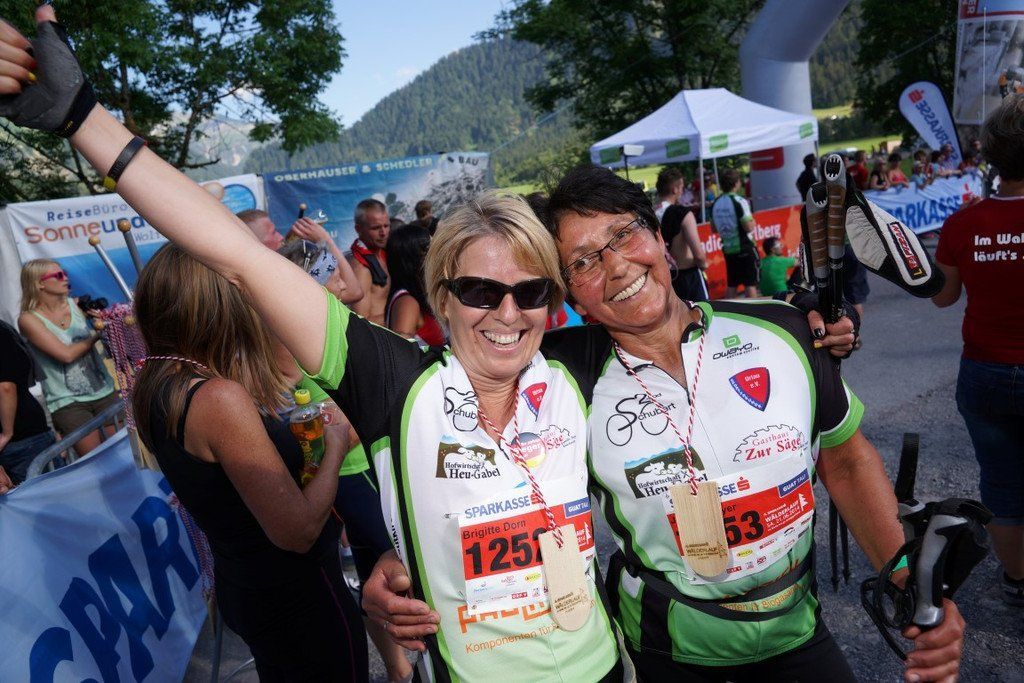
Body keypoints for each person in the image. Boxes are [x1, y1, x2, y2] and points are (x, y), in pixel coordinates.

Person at [369, 165, 967, 683]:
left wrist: (905, 577)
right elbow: (456, 433)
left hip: (796, 633)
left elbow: (846, 459)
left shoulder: (784, 329)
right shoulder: (561, 378)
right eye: (584, 262)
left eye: (624, 234)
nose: (616, 266)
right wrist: (399, 563)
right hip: (665, 653)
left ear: (660, 237)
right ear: (568, 296)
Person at [130, 243, 368, 680]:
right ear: (219, 305)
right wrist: (336, 444)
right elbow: (297, 531)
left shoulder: (160, 381)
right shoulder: (217, 397)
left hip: (249, 584)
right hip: (295, 595)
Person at [931, 93, 1024, 607]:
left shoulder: (962, 224)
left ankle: (1017, 579)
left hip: (984, 371)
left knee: (1003, 482)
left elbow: (943, 298)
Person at [17, 259, 119, 455]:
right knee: (95, 462)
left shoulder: (78, 307)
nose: (65, 278)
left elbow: (112, 346)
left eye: (64, 273)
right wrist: (96, 335)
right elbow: (65, 355)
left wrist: (105, 323)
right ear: (39, 283)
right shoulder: (28, 319)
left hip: (105, 392)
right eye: (58, 275)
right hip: (68, 403)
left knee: (126, 453)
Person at [0, 318, 60, 484]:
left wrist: (7, 433)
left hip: (22, 438)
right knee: (54, 492)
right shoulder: (4, 330)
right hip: (22, 437)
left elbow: (6, 386)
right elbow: (5, 387)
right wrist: (7, 432)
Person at [385, 224, 445, 346]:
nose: (437, 254)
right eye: (430, 249)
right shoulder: (407, 303)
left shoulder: (418, 296)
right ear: (415, 259)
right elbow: (400, 349)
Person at [710, 169, 760, 298]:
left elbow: (714, 229)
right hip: (745, 247)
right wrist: (753, 221)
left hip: (728, 249)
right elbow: (748, 227)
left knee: (732, 284)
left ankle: (729, 310)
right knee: (750, 284)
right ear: (736, 183)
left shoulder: (716, 202)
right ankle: (755, 310)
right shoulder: (739, 201)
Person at [347, 198, 392, 325]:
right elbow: (361, 321)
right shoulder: (361, 268)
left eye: (386, 226)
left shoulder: (384, 252)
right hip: (380, 335)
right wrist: (404, 315)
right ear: (358, 229)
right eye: (376, 228)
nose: (383, 233)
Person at [660, 204, 708, 301]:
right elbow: (699, 256)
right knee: (703, 309)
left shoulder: (659, 213)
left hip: (671, 276)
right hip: (690, 275)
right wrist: (704, 265)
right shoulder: (684, 214)